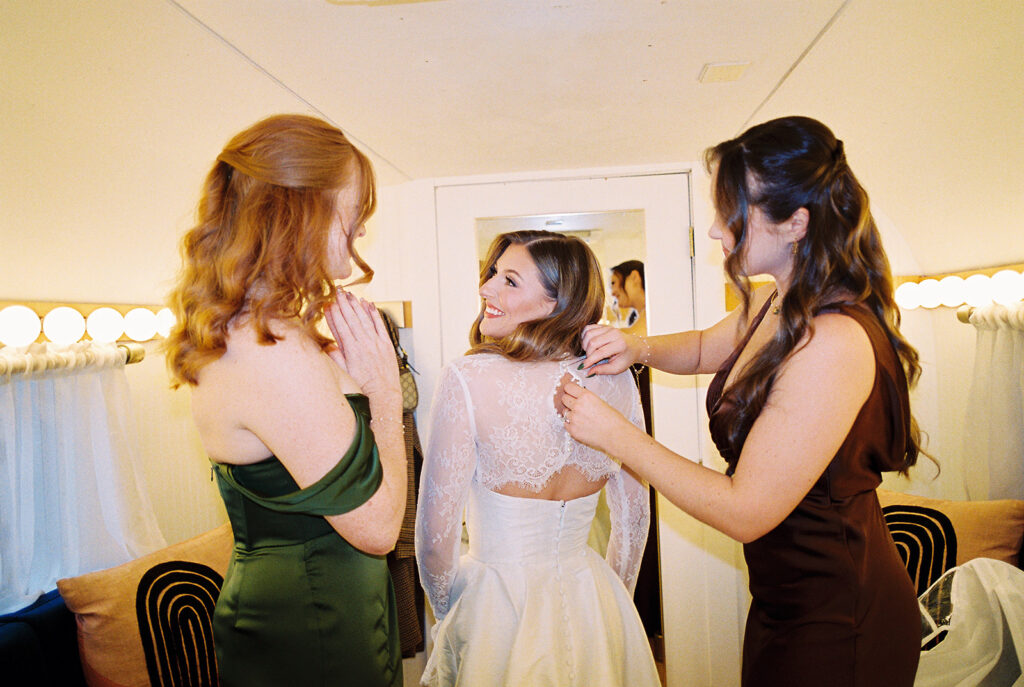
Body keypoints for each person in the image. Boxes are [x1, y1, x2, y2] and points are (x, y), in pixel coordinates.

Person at [559, 116, 923, 687]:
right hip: (785, 598)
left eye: (730, 212)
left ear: (795, 222)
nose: (713, 230)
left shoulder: (832, 341)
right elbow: (707, 347)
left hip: (839, 614)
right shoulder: (780, 300)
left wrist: (617, 436)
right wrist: (637, 347)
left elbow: (745, 510)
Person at [164, 114, 405, 687]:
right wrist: (384, 394)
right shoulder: (268, 348)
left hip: (332, 606)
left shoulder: (265, 329)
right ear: (302, 208)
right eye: (355, 211)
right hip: (312, 622)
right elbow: (377, 529)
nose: (362, 230)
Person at [415, 230, 660, 686]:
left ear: (557, 303)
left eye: (509, 280)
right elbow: (633, 520)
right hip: (592, 595)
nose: (486, 287)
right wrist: (612, 604)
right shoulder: (615, 379)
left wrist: (451, 616)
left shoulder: (467, 377)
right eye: (493, 274)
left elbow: (434, 539)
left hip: (497, 606)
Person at [609, 259, 647, 335]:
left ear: (634, 277)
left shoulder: (655, 312)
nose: (612, 293)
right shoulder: (632, 319)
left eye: (613, 283)